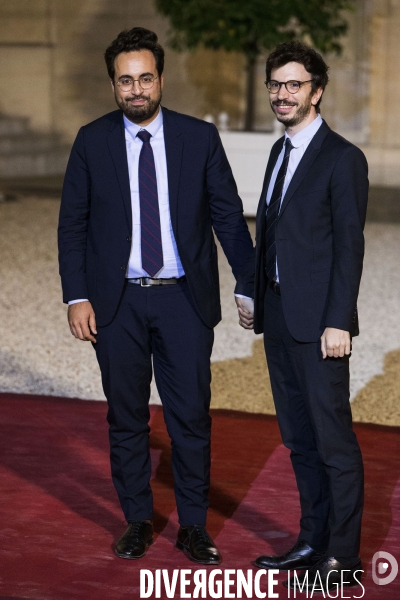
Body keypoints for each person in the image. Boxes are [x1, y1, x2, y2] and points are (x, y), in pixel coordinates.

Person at [58, 27, 254, 564]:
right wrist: (76, 296)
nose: (137, 89)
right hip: (115, 303)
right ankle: (137, 521)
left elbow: (227, 218)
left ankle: (193, 525)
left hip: (182, 301)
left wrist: (250, 281)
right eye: (126, 81)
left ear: (161, 79)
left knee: (190, 416)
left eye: (146, 77)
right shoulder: (91, 140)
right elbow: (72, 225)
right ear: (114, 85)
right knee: (126, 419)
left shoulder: (198, 138)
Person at [237, 42, 368, 591]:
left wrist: (339, 320)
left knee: (334, 443)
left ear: (316, 90)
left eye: (293, 84)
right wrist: (251, 289)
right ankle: (312, 540)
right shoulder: (278, 152)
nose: (281, 94)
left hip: (320, 327)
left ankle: (343, 558)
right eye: (275, 84)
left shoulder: (343, 158)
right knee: (299, 440)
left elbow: (348, 247)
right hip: (279, 318)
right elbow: (270, 231)